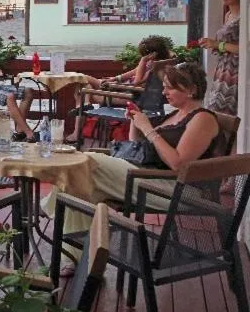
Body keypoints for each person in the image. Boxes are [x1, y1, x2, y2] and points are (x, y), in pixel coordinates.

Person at [47, 63, 225, 273]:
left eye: (170, 88)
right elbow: (139, 148)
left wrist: (148, 128)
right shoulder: (175, 115)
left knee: (87, 160)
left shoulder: (202, 118)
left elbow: (179, 164)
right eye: (164, 86)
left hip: (178, 190)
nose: (164, 92)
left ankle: (50, 208)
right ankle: (77, 260)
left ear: (192, 89)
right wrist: (135, 122)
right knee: (80, 188)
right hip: (147, 176)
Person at [65, 35, 172, 143]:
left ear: (152, 54)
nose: (142, 57)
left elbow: (137, 82)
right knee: (84, 85)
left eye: (144, 55)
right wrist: (115, 79)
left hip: (127, 95)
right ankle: (85, 108)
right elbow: (134, 72)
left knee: (83, 82)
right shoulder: (161, 63)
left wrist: (143, 61)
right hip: (122, 89)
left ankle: (77, 131)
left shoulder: (155, 67)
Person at [201, 0, 240, 116]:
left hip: (236, 70)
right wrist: (215, 46)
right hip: (223, 68)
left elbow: (244, 49)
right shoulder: (229, 15)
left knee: (227, 111)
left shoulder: (244, 17)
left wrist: (219, 44)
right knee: (215, 109)